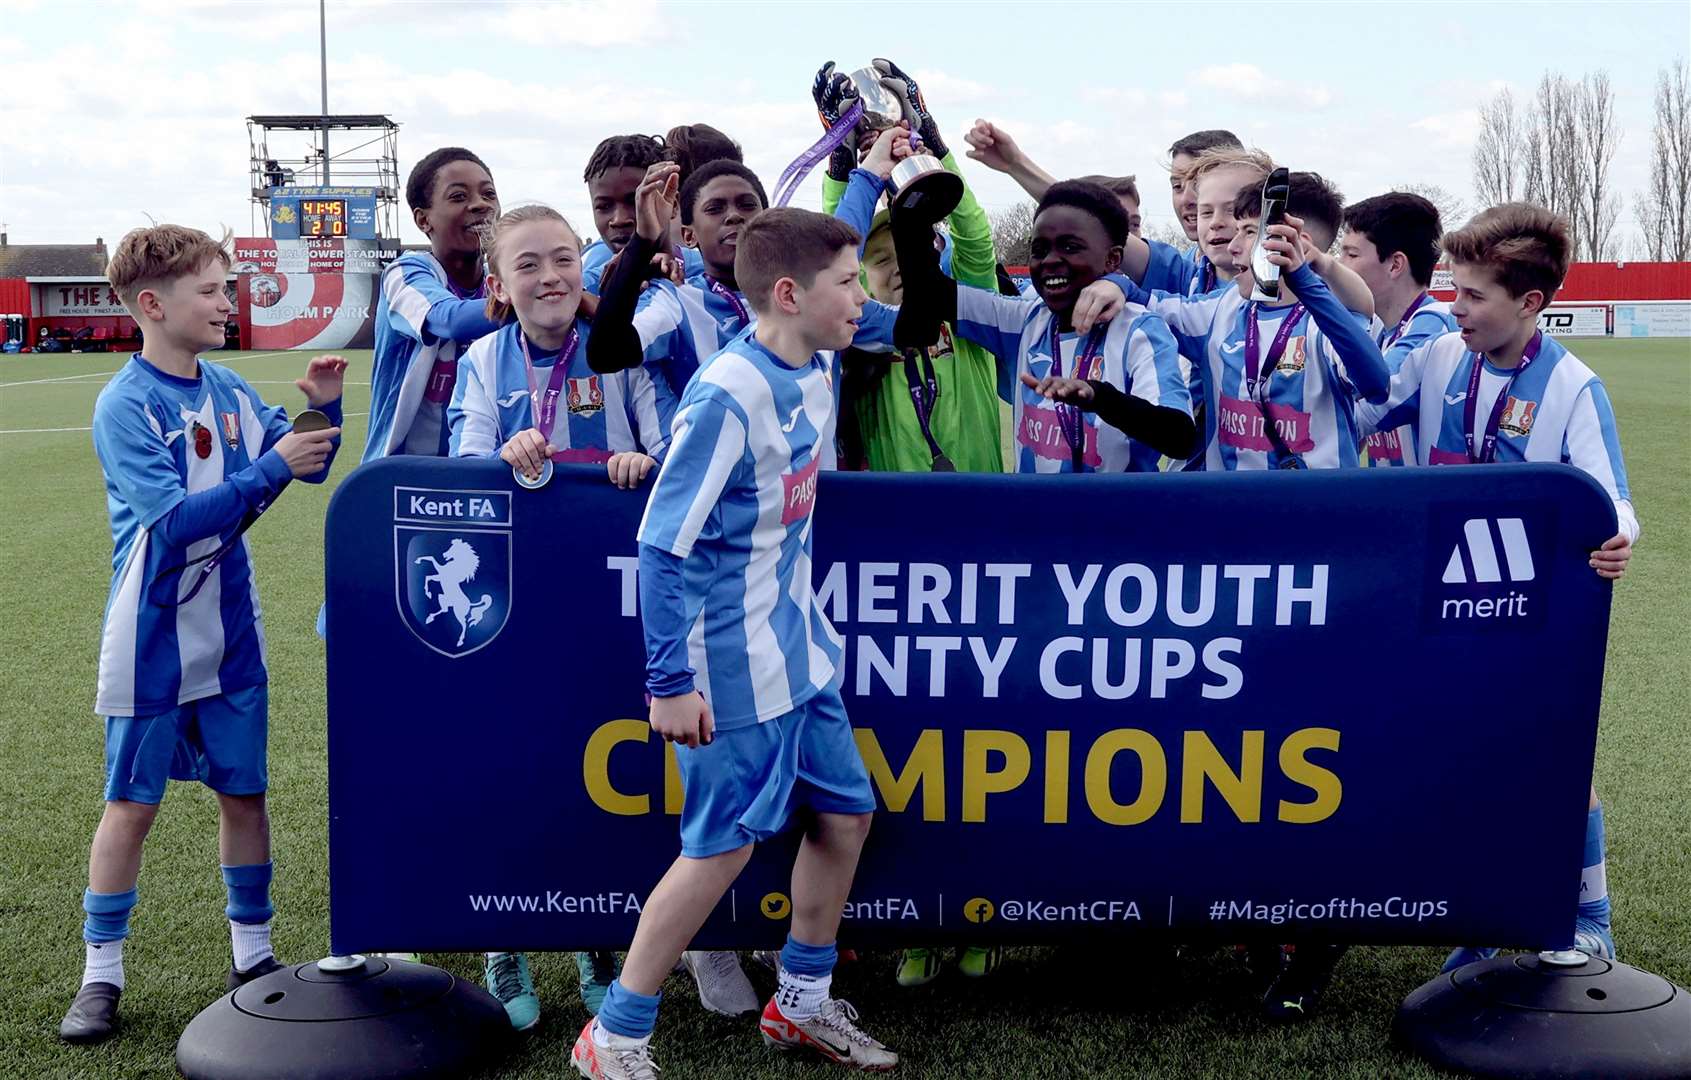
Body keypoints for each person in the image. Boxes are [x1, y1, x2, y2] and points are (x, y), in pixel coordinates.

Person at [572, 208, 899, 1078]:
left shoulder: (818, 358)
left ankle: (800, 1000)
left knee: (846, 813)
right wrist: (669, 680)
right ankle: (615, 1035)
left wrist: (871, 160)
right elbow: (658, 544)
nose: (859, 298)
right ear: (789, 296)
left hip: (801, 651)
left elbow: (839, 266)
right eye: (845, 284)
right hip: (729, 670)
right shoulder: (726, 395)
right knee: (719, 848)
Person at [59, 225, 345, 1044]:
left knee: (243, 795)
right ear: (153, 304)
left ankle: (252, 957)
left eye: (228, 289)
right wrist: (272, 467)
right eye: (212, 291)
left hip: (229, 634)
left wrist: (320, 409)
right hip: (148, 637)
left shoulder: (225, 387)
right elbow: (176, 523)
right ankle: (101, 976)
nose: (229, 303)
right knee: (129, 806)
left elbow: (309, 462)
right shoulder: (126, 403)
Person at [1358, 203, 1634, 976]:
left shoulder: (1573, 387)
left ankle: (1589, 921)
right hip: (1437, 599)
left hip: (1531, 608)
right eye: (1453, 288)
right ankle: (1479, 913)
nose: (1455, 306)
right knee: (1458, 752)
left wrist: (1615, 538)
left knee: (1555, 761)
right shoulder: (1441, 357)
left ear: (1530, 304)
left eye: (1474, 295)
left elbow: (1613, 499)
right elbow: (1365, 408)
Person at [1088, 170, 1389, 473]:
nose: (1233, 247)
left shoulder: (1330, 319)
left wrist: (1306, 278)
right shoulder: (1222, 307)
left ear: (1296, 241)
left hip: (1315, 512)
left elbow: (1376, 386)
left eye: (1248, 232)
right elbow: (1149, 303)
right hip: (1232, 511)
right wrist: (1118, 286)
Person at [588, 159, 899, 452]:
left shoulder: (812, 296)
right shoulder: (676, 302)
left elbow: (913, 324)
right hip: (724, 501)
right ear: (688, 234)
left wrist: (900, 198)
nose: (734, 216)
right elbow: (607, 353)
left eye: (747, 204)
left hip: (812, 498)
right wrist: (643, 241)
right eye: (714, 208)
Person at [894, 179, 1196, 473]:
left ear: (1112, 259)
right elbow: (930, 291)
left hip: (1115, 519)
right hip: (1032, 518)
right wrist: (911, 209)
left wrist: (1100, 397)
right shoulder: (1023, 320)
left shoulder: (1140, 330)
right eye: (1039, 249)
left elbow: (1178, 436)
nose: (1050, 260)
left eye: (1070, 247)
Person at [813, 58, 1006, 476]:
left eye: (912, 253)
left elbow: (974, 239)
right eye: (882, 259)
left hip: (981, 508)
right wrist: (842, 167)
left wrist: (934, 147)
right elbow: (834, 251)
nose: (901, 268)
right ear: (860, 274)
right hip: (899, 518)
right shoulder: (860, 334)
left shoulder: (967, 318)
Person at [363, 147, 501, 463]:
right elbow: (449, 320)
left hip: (479, 468)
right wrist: (534, 301)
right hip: (403, 472)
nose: (480, 204)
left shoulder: (500, 282)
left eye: (489, 194)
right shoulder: (406, 272)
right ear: (423, 220)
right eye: (458, 197)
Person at [1338, 192, 1459, 466]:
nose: (1338, 265)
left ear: (1395, 265)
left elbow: (1358, 415)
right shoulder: (1380, 329)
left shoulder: (1434, 325)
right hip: (1395, 498)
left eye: (1351, 254)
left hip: (1424, 502)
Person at [581, 134, 675, 297]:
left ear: (673, 203)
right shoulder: (584, 289)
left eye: (636, 201)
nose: (619, 220)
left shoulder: (704, 274)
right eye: (603, 206)